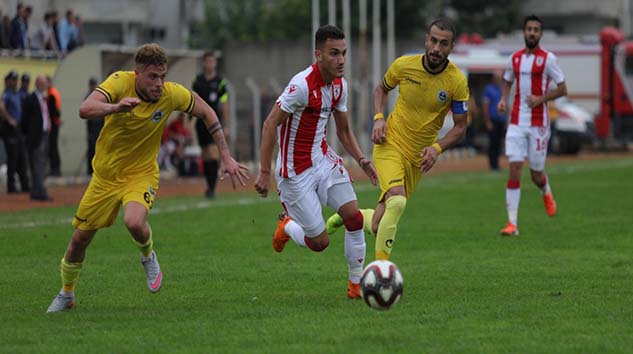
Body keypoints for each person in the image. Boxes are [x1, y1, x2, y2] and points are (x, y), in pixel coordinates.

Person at [46, 43, 249, 313]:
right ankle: (67, 294)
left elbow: (207, 112)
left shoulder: (171, 94)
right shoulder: (119, 82)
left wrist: (225, 155)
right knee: (78, 241)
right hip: (105, 176)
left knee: (134, 221)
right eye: (153, 77)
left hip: (141, 174)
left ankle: (147, 255)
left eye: (162, 76)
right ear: (137, 74)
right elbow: (85, 108)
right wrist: (116, 107)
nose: (159, 83)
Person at [327, 18, 469, 261]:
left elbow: (460, 127)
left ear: (451, 47)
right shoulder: (404, 65)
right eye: (433, 41)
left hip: (418, 159)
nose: (436, 48)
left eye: (443, 44)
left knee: (378, 223)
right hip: (389, 144)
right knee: (398, 201)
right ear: (426, 40)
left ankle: (351, 216)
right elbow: (381, 89)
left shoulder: (456, 81)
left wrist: (437, 147)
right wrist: (379, 118)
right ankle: (382, 270)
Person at [254, 25, 378, 299]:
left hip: (323, 161)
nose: (341, 60)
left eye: (344, 53)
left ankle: (356, 286)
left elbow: (343, 131)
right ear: (318, 55)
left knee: (354, 216)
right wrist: (264, 171)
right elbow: (269, 124)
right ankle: (286, 225)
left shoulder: (339, 86)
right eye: (334, 53)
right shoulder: (301, 86)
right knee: (319, 242)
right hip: (294, 174)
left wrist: (362, 159)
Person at [497, 14, 567, 236]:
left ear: (541, 34)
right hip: (517, 121)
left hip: (539, 124)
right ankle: (512, 224)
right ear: (524, 32)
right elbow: (507, 79)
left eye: (536, 30)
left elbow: (563, 88)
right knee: (515, 168)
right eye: (529, 29)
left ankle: (546, 191)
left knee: (536, 174)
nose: (532, 33)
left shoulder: (548, 59)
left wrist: (541, 98)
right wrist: (502, 99)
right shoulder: (515, 59)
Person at [192, 51, 230, 198]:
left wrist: (225, 124)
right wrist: (189, 121)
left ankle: (212, 189)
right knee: (206, 155)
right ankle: (209, 186)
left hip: (214, 123)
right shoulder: (198, 80)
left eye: (213, 61)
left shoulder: (220, 82)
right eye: (208, 61)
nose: (210, 64)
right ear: (204, 63)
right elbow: (192, 100)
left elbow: (224, 103)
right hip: (200, 122)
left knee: (213, 153)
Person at [21, 75, 57, 201]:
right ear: (37, 84)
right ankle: (39, 191)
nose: (45, 86)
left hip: (45, 134)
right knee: (37, 165)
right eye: (42, 83)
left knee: (41, 164)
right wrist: (29, 135)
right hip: (36, 137)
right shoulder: (31, 99)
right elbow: (25, 120)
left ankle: (36, 190)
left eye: (45, 83)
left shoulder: (45, 99)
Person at [1, 70, 30, 193]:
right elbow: (1, 106)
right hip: (10, 129)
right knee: (12, 158)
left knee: (21, 157)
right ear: (8, 81)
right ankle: (11, 186)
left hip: (18, 129)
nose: (15, 82)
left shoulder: (17, 93)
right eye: (13, 80)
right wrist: (9, 119)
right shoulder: (7, 94)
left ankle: (24, 185)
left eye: (16, 80)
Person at [482, 70, 507, 171]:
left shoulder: (502, 89)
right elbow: (485, 105)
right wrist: (487, 121)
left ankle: (496, 163)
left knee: (499, 143)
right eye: (497, 78)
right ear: (493, 78)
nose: (498, 80)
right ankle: (492, 165)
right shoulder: (488, 89)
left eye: (500, 78)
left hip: (501, 120)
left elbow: (506, 104)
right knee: (493, 142)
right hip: (493, 120)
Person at [85, 76, 103, 175]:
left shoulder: (100, 96)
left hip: (100, 126)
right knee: (91, 150)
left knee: (100, 150)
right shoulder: (88, 97)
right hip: (92, 128)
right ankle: (90, 170)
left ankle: (98, 170)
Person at [46, 76, 62, 176]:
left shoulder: (51, 94)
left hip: (53, 124)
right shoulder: (53, 92)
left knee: (53, 147)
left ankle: (55, 169)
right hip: (55, 123)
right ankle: (55, 169)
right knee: (53, 146)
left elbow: (54, 111)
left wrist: (53, 120)